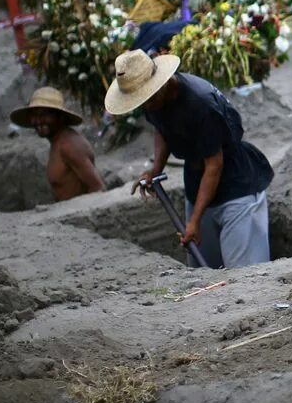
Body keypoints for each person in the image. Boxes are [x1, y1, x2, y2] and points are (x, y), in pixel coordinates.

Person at [104, 50, 274, 268]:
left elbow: (214, 165)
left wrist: (194, 221)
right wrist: (156, 168)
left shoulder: (201, 104)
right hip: (197, 181)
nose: (146, 105)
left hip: (236, 184)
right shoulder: (153, 102)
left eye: (149, 98)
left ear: (162, 83)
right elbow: (161, 128)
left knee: (247, 274)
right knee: (206, 272)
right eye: (142, 101)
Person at [10, 87, 105, 202]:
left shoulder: (69, 144)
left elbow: (98, 188)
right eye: (34, 116)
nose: (38, 121)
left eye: (44, 115)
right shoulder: (58, 142)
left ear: (59, 116)